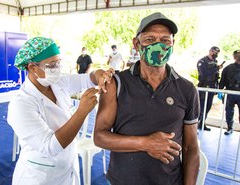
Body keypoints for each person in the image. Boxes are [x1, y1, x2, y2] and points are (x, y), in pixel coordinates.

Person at [94, 12, 200, 185]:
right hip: (123, 181)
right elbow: (100, 137)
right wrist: (146, 143)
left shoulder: (187, 89)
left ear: (173, 44)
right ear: (136, 44)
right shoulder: (117, 83)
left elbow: (191, 147)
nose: (158, 45)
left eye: (165, 40)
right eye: (150, 40)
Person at [7, 37, 113, 185]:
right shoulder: (21, 104)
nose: (57, 68)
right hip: (40, 177)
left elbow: (87, 79)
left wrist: (99, 74)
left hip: (66, 169)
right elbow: (50, 146)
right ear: (32, 68)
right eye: (52, 65)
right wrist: (81, 112)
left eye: (58, 62)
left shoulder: (57, 83)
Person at [197, 46, 224, 131]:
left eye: (217, 53)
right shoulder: (202, 61)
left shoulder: (215, 62)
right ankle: (195, 125)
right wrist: (216, 68)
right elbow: (203, 73)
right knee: (201, 106)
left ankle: (202, 123)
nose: (215, 54)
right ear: (210, 51)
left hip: (212, 87)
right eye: (214, 52)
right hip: (204, 87)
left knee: (208, 106)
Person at [219, 50, 240, 135]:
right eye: (237, 55)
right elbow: (222, 80)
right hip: (230, 93)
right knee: (229, 112)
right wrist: (220, 91)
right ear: (234, 57)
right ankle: (230, 128)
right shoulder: (228, 68)